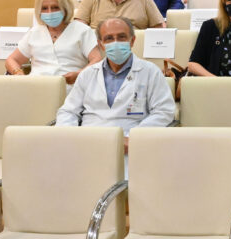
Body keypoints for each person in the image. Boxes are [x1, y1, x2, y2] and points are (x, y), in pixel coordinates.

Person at [56, 17, 177, 151]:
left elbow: (164, 111)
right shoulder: (88, 74)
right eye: (109, 38)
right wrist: (70, 136)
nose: (116, 43)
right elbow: (68, 111)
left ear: (132, 41)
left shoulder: (150, 72)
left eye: (121, 37)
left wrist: (136, 137)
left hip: (131, 145)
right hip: (88, 143)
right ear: (100, 44)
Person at [5, 0, 102, 89]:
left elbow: (97, 60)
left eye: (55, 7)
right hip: (36, 88)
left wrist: (79, 74)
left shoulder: (82, 30)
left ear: (65, 8)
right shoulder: (34, 32)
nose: (50, 12)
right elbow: (12, 59)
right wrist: (18, 73)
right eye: (45, 8)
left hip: (71, 88)